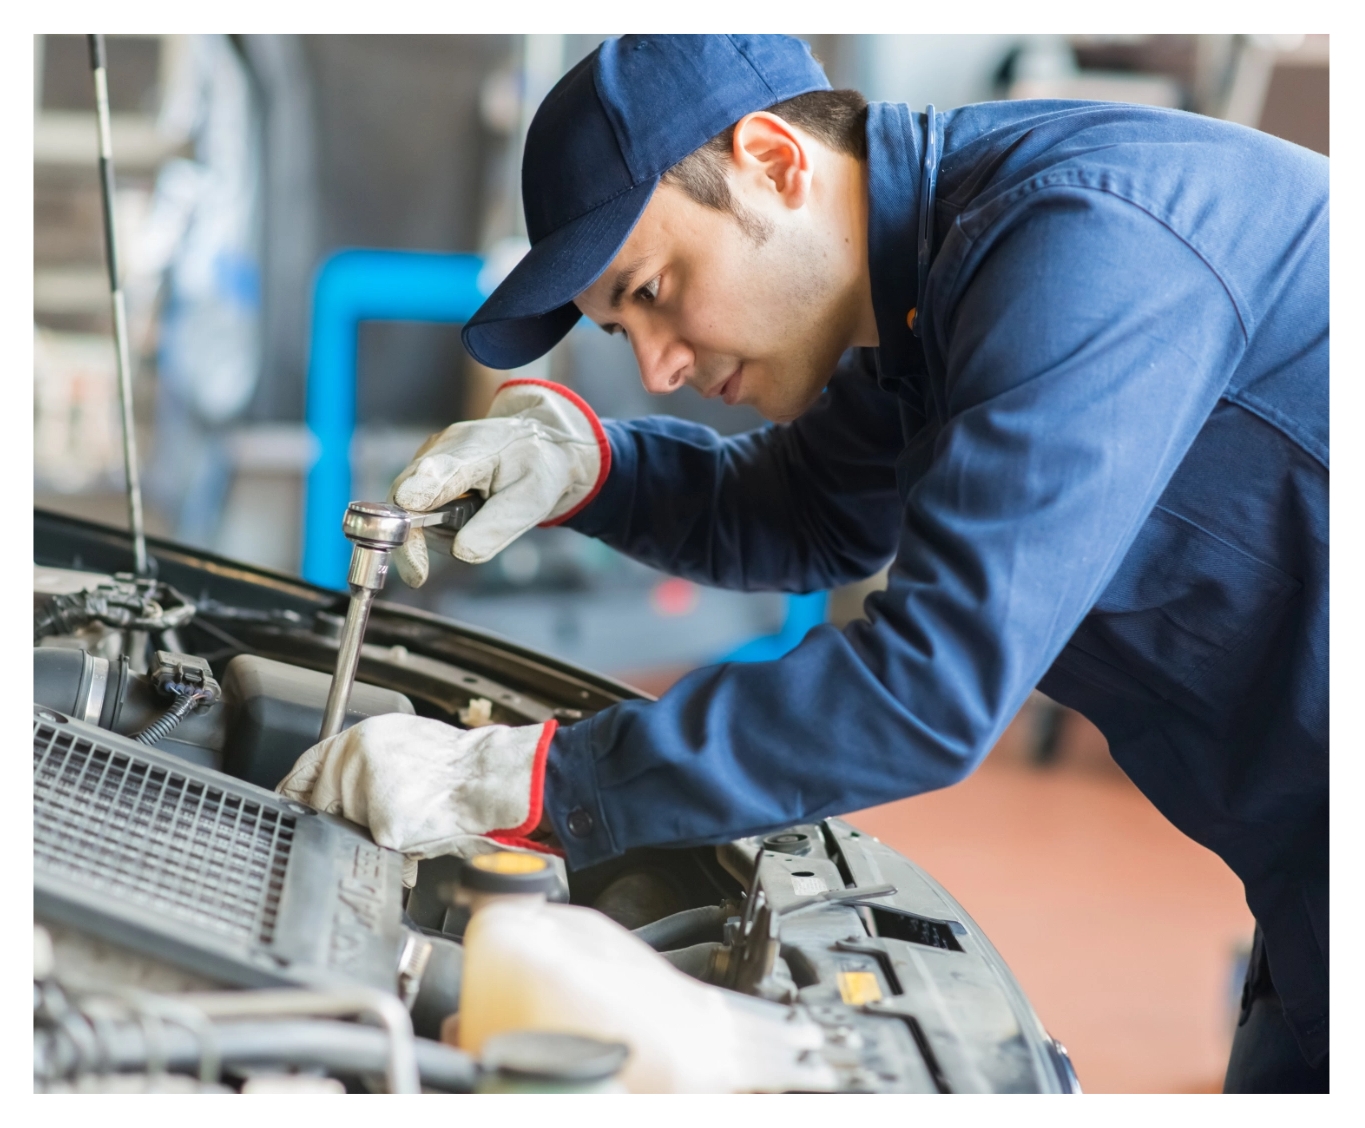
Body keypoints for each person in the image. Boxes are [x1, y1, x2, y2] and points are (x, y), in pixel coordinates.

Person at [278, 35, 1328, 1091]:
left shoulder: (1084, 244)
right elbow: (810, 514)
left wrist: (526, 778)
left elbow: (928, 689)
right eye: (617, 328)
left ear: (775, 163)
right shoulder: (920, 293)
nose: (658, 365)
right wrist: (590, 466)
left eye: (654, 289)